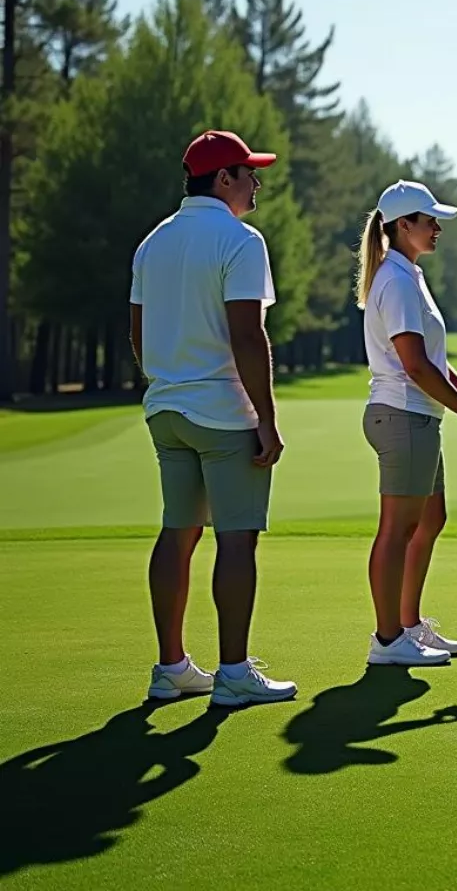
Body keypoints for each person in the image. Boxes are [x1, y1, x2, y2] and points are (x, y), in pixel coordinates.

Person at [131, 130, 296, 708]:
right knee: (236, 539)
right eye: (249, 172)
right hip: (224, 413)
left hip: (167, 409)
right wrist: (267, 419)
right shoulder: (241, 240)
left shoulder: (152, 243)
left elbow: (139, 330)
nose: (257, 182)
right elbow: (247, 335)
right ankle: (232, 673)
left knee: (178, 532)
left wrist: (166, 379)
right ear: (222, 178)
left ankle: (171, 667)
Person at [357, 178, 457, 667]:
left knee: (430, 519)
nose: (437, 228)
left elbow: (432, 358)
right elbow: (414, 365)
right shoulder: (395, 280)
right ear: (403, 225)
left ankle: (409, 625)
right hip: (402, 414)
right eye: (429, 220)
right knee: (398, 528)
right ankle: (387, 639)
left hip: (417, 415)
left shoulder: (408, 274)